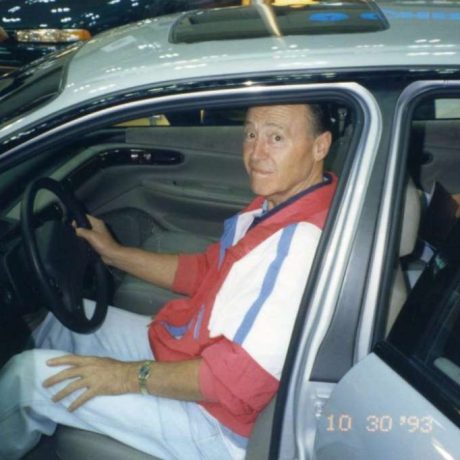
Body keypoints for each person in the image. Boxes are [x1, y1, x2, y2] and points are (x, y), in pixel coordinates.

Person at [0, 104, 337, 460]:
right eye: (251, 134)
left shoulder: (297, 245)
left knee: (29, 377)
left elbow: (235, 382)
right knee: (68, 321)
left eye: (276, 137)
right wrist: (114, 253)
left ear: (320, 146)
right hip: (195, 350)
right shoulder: (279, 205)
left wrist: (125, 376)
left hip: (217, 425)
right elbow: (208, 270)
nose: (256, 152)